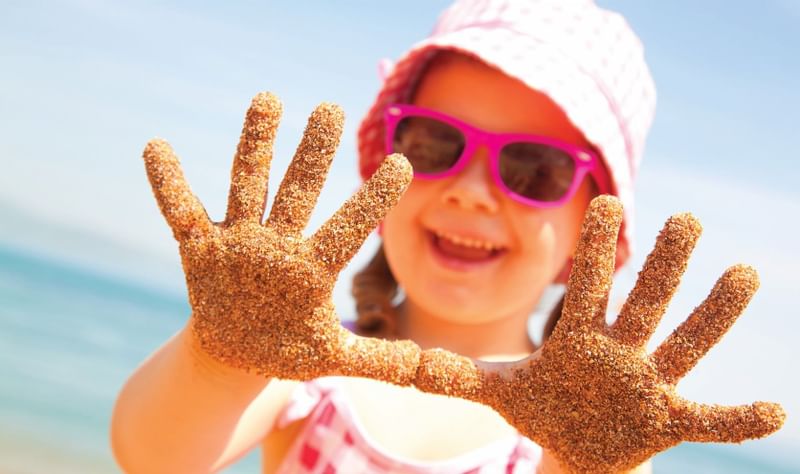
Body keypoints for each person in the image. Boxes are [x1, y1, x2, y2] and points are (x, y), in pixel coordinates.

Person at [110, 1, 782, 472]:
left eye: (534, 169)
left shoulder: (571, 429)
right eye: (436, 144)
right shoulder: (306, 366)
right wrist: (221, 353)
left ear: (593, 233)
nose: (471, 189)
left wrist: (595, 466)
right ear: (385, 176)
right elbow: (154, 457)